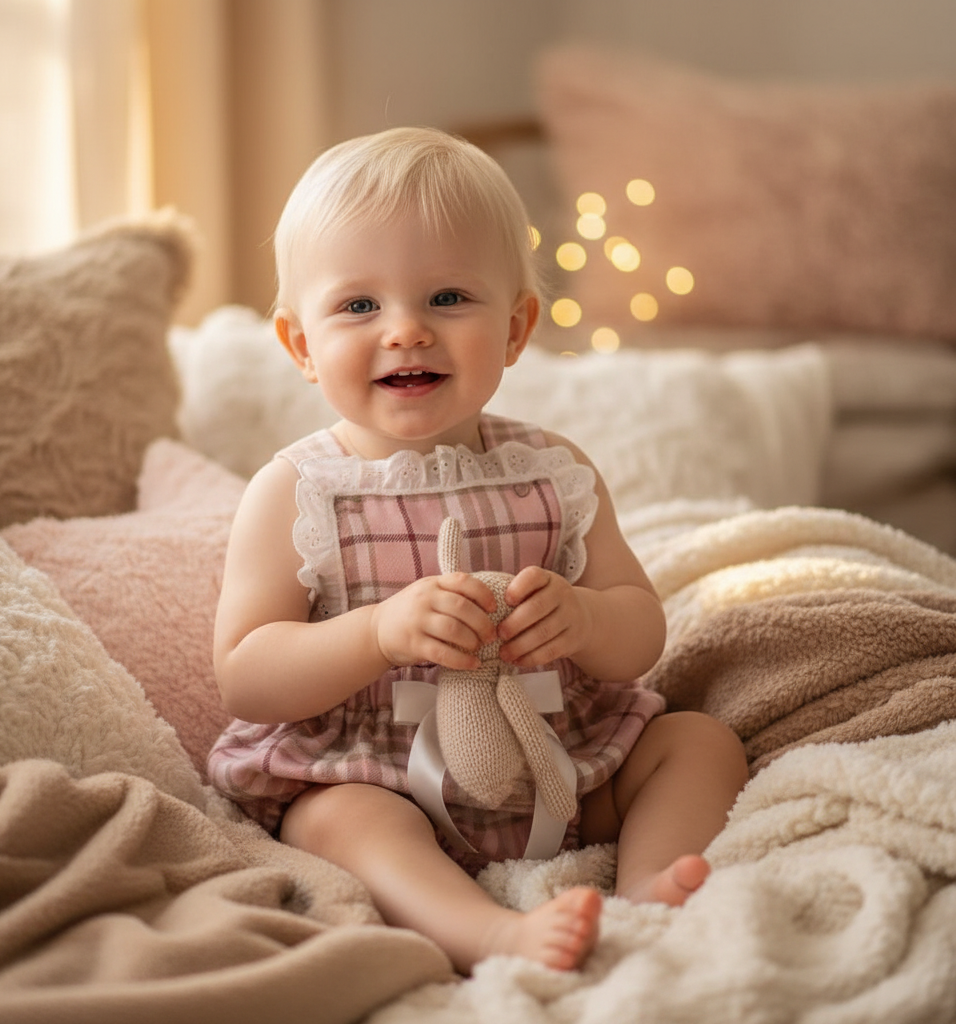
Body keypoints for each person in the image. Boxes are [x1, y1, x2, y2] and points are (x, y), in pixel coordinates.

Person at [208, 126, 748, 975]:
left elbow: (643, 629)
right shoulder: (299, 491)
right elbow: (245, 671)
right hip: (378, 773)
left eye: (449, 297)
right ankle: (486, 931)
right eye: (359, 306)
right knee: (338, 822)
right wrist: (377, 633)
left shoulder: (553, 473)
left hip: (563, 764)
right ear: (302, 345)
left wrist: (584, 618)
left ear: (517, 327)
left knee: (698, 743)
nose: (406, 332)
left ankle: (652, 888)